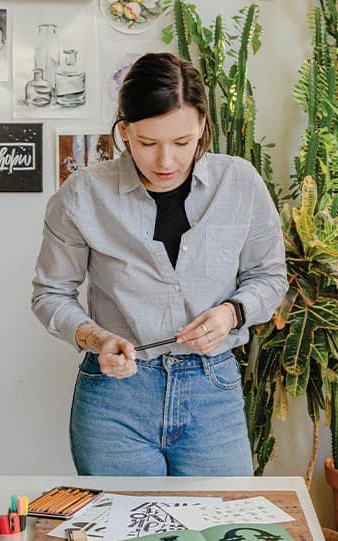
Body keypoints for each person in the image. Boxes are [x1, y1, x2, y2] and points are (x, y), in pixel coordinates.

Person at [32, 52, 288, 477]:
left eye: (182, 143)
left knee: (221, 531)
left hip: (214, 392)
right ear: (124, 130)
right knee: (124, 536)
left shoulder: (239, 183)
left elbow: (269, 277)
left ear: (203, 127)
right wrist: (97, 339)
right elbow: (50, 295)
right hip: (116, 399)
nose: (165, 161)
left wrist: (232, 313)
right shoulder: (82, 196)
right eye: (148, 143)